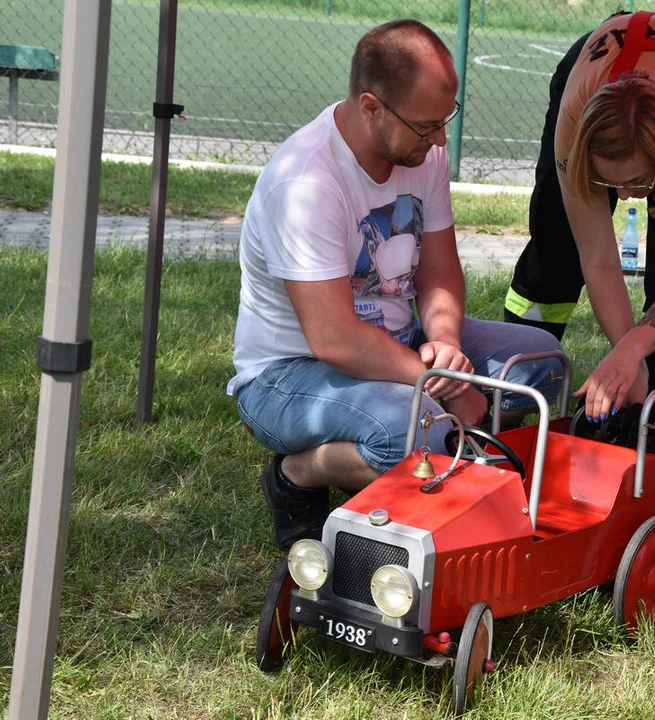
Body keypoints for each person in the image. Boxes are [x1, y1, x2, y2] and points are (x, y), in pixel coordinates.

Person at [227, 19, 565, 549]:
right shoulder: (306, 183)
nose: (438, 141)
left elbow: (439, 271)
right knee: (418, 430)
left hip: (397, 347)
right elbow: (334, 339)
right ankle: (299, 473)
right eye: (426, 127)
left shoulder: (421, 150)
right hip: (288, 375)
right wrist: (445, 387)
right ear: (371, 107)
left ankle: (459, 472)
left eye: (444, 122)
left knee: (541, 364)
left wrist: (448, 349)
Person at [503, 11, 655, 452]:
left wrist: (634, 352)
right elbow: (597, 256)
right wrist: (629, 355)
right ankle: (513, 398)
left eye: (638, 183)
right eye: (606, 181)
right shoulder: (576, 116)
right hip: (596, 69)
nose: (622, 197)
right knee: (556, 250)